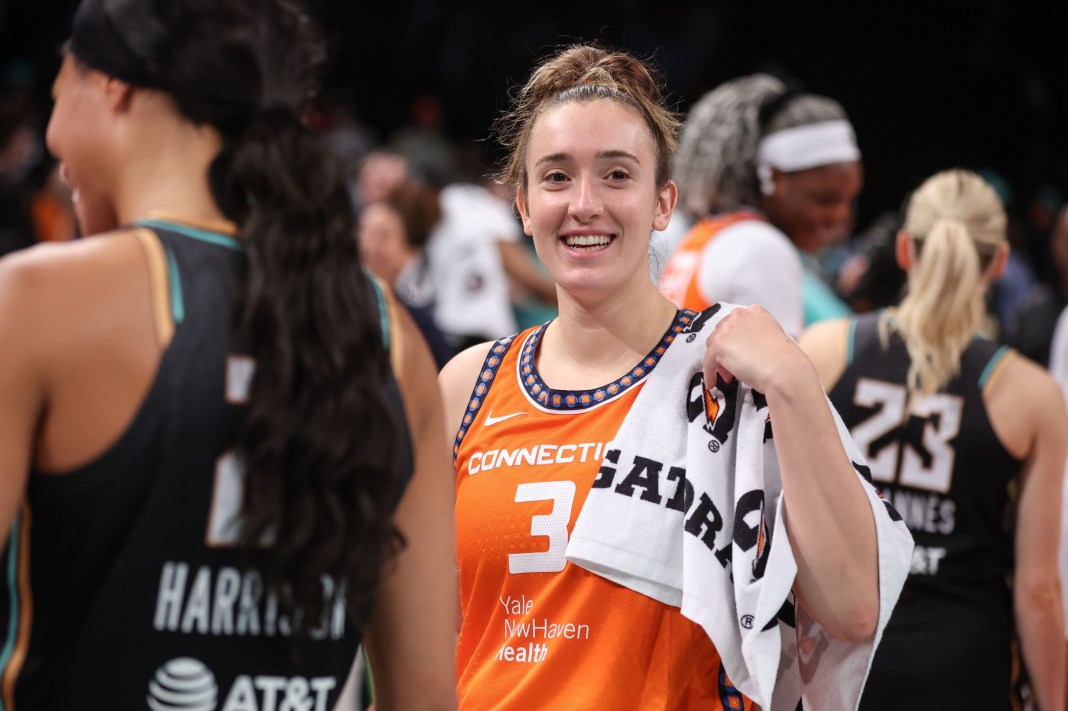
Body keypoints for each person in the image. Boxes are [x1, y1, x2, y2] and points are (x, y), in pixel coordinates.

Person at [0, 1, 456, 709]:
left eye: (56, 95)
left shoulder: (34, 302)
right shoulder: (389, 334)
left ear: (112, 86)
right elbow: (425, 697)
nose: (52, 139)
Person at [439, 43, 912, 710]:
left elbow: (852, 609)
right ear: (522, 205)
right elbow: (432, 634)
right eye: (554, 177)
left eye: (616, 175)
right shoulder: (468, 384)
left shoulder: (734, 371)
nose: (583, 204)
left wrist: (794, 383)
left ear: (664, 202)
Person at [798, 169, 1067, 710]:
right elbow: (1038, 590)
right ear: (998, 261)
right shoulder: (1030, 394)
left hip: (840, 665)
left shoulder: (825, 351)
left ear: (903, 249)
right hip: (964, 667)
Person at [659, 73, 862, 337]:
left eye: (850, 200)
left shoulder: (712, 233)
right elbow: (780, 376)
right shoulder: (761, 247)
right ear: (774, 177)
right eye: (825, 200)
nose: (840, 217)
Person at [358, 179, 456, 369]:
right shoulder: (331, 303)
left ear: (410, 254)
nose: (368, 245)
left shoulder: (418, 323)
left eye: (383, 236)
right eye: (362, 232)